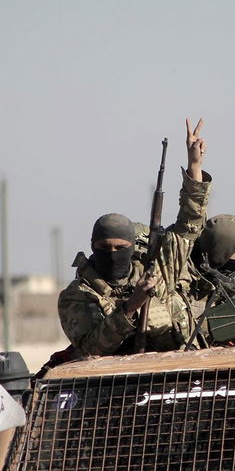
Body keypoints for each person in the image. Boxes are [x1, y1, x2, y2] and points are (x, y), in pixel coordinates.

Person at [58, 119, 210, 356]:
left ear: (132, 246)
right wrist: (131, 307)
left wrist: (194, 166)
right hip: (120, 382)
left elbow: (189, 225)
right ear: (92, 247)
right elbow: (91, 347)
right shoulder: (79, 295)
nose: (112, 253)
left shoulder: (158, 270)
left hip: (179, 368)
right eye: (104, 247)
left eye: (120, 247)